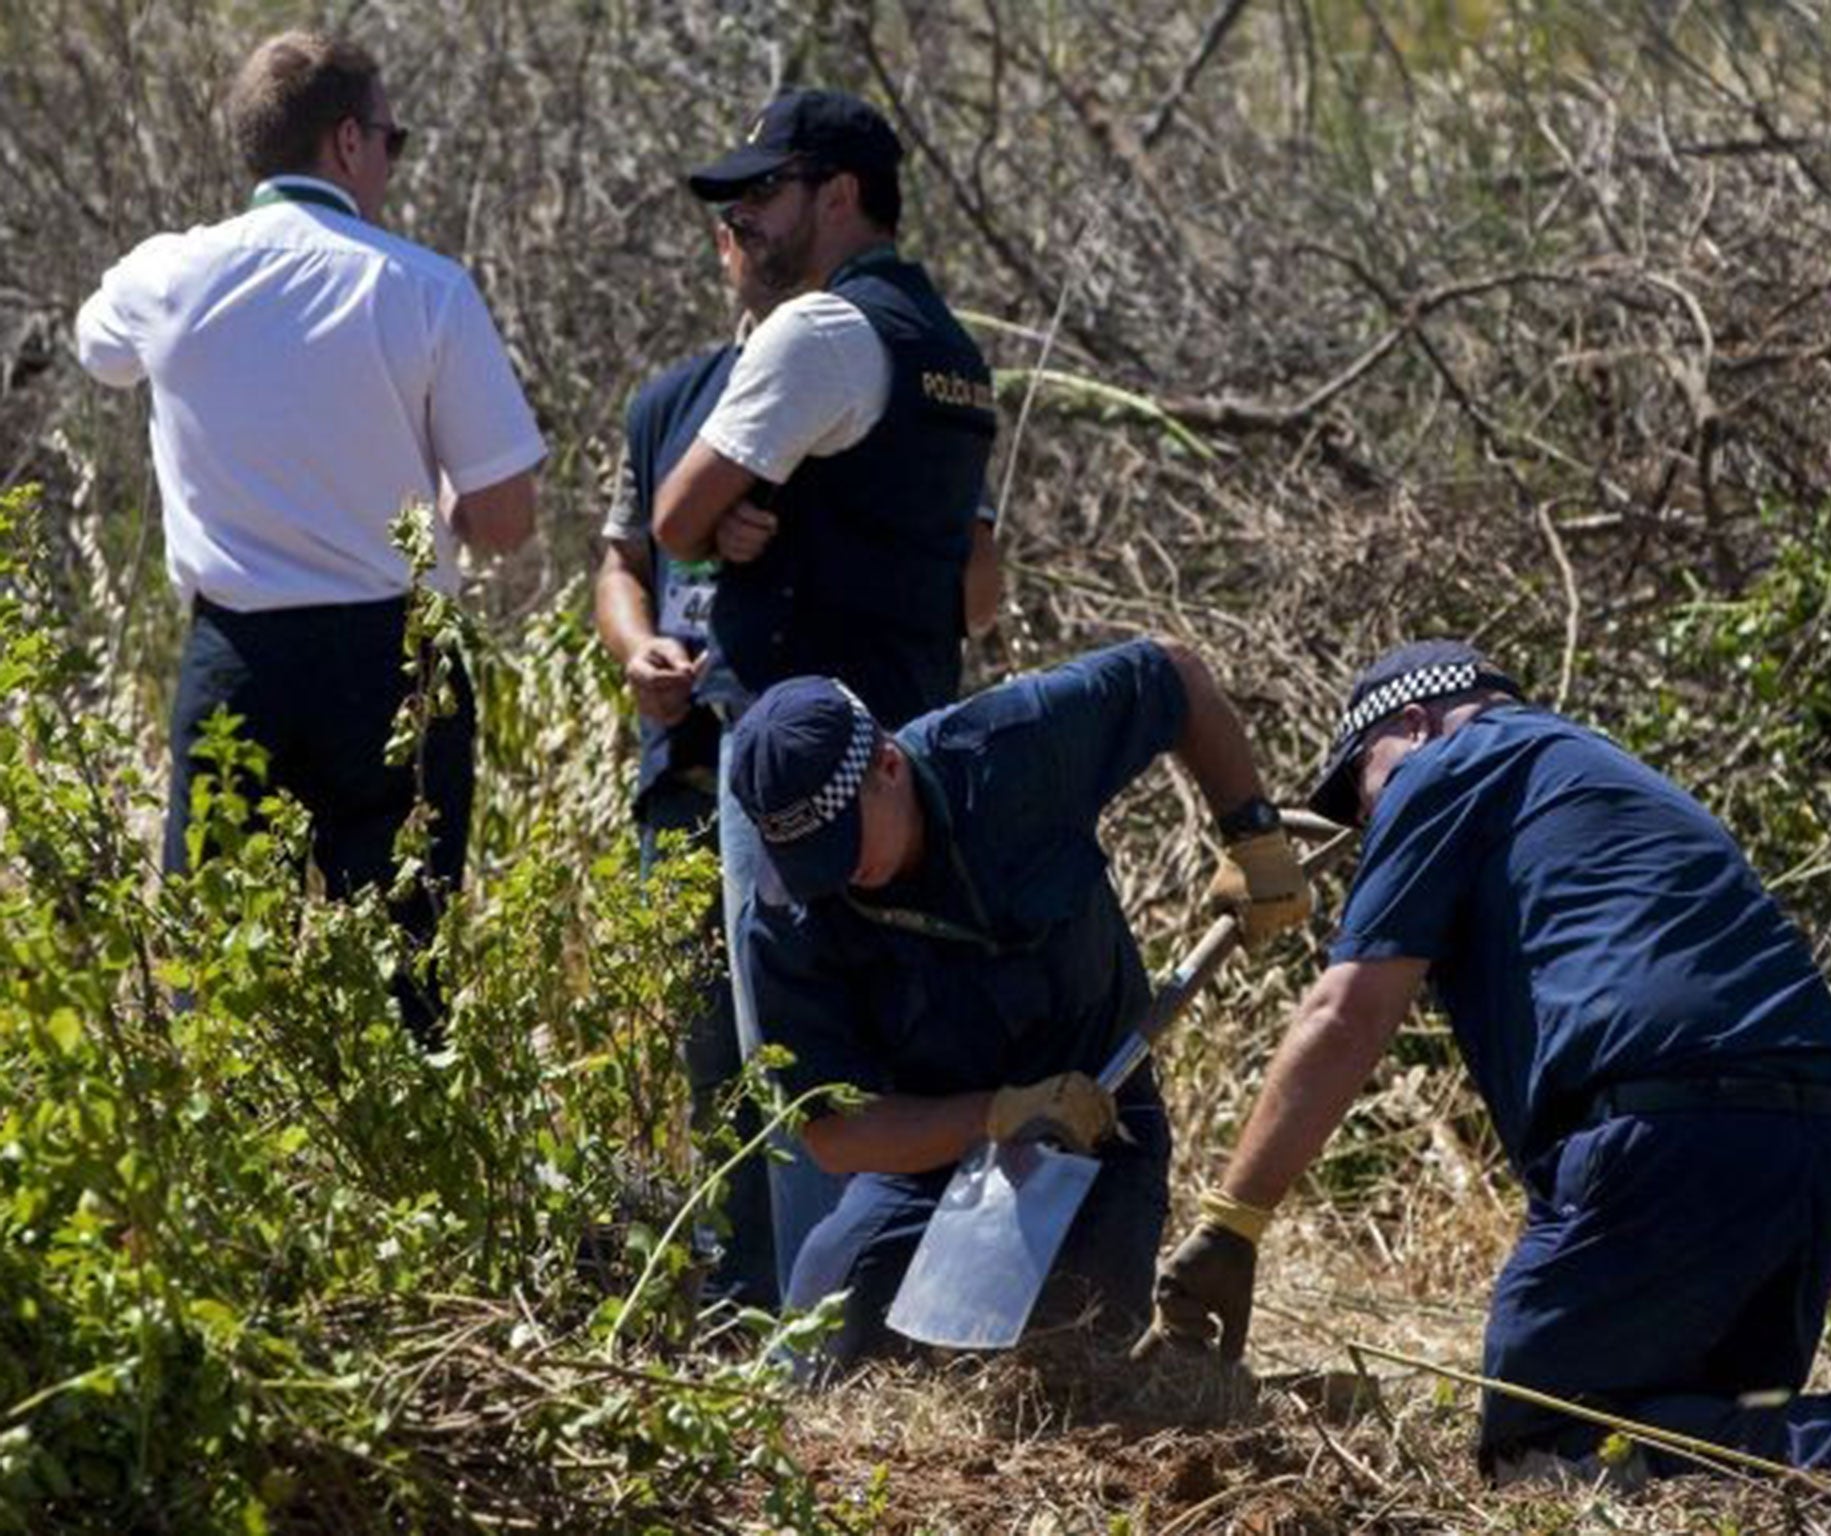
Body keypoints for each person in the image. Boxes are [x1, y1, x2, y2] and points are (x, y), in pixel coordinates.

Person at [1142, 640, 1831, 1490]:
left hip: (1669, 1143)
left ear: (1411, 724)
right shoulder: (1597, 772)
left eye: (1362, 784)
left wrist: (1231, 1224)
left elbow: (1347, 1014)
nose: (1369, 813)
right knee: (1703, 1422)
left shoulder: (1447, 767)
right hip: (1815, 1143)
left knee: (1546, 1445)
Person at [74, 30, 543, 1045]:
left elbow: (97, 348)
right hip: (399, 663)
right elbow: (507, 518)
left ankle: (240, 1195)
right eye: (391, 138)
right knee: (408, 977)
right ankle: (407, 1187)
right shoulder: (422, 289)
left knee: (221, 981)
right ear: (345, 143)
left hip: (236, 657)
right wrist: (444, 506)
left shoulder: (170, 278)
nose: (390, 160)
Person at [595, 221, 1002, 1308]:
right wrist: (639, 647)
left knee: (823, 1034)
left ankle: (841, 1304)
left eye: (753, 209)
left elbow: (976, 583)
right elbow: (627, 558)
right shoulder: (668, 403)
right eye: (721, 220)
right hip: (685, 764)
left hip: (826, 770)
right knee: (714, 1048)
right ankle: (739, 1300)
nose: (733, 235)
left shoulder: (865, 385)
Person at [721, 638, 1312, 1368]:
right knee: (821, 1341)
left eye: (843, 842)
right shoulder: (785, 917)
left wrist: (1252, 834)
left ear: (888, 766)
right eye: (810, 858)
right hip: (928, 1157)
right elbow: (835, 1133)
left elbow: (1174, 675)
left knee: (1063, 1361)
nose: (835, 874)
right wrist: (996, 1114)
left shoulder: (1015, 747)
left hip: (1098, 1127)